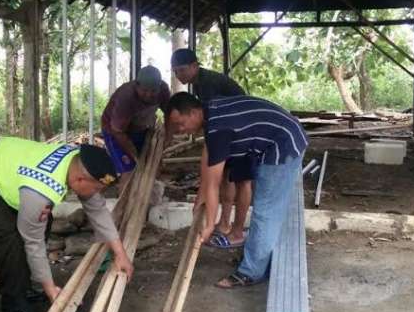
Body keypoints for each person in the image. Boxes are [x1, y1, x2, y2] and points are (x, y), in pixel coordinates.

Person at [0, 138, 133, 312]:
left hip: (3, 164)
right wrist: (52, 291)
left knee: (42, 222)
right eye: (97, 188)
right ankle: (16, 308)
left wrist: (120, 254)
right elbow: (33, 243)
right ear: (79, 180)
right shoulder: (41, 190)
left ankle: (23, 286)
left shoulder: (75, 162)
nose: (98, 193)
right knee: (8, 239)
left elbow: (97, 209)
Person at [166, 92, 308, 288]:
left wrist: (210, 225)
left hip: (283, 144)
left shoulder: (218, 126)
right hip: (279, 137)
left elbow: (214, 184)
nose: (181, 130)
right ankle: (258, 258)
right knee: (267, 208)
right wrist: (200, 196)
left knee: (265, 210)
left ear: (193, 112)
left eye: (181, 124)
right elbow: (207, 161)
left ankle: (251, 272)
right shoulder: (211, 112)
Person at [170, 48, 251, 248]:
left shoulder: (207, 84)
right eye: (175, 71)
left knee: (241, 180)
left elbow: (213, 124)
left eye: (181, 70)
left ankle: (235, 229)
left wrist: (204, 189)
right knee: (225, 177)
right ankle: (224, 224)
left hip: (243, 130)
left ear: (195, 66)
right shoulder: (198, 83)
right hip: (231, 130)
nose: (178, 75)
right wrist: (203, 189)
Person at [101, 65, 171, 192]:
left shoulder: (163, 91)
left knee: (153, 163)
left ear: (159, 88)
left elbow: (170, 115)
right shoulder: (126, 97)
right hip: (115, 132)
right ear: (137, 85)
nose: (149, 95)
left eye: (153, 91)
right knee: (129, 169)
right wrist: (134, 155)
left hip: (141, 129)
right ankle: (124, 206)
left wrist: (167, 138)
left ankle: (151, 196)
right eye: (144, 90)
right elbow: (118, 132)